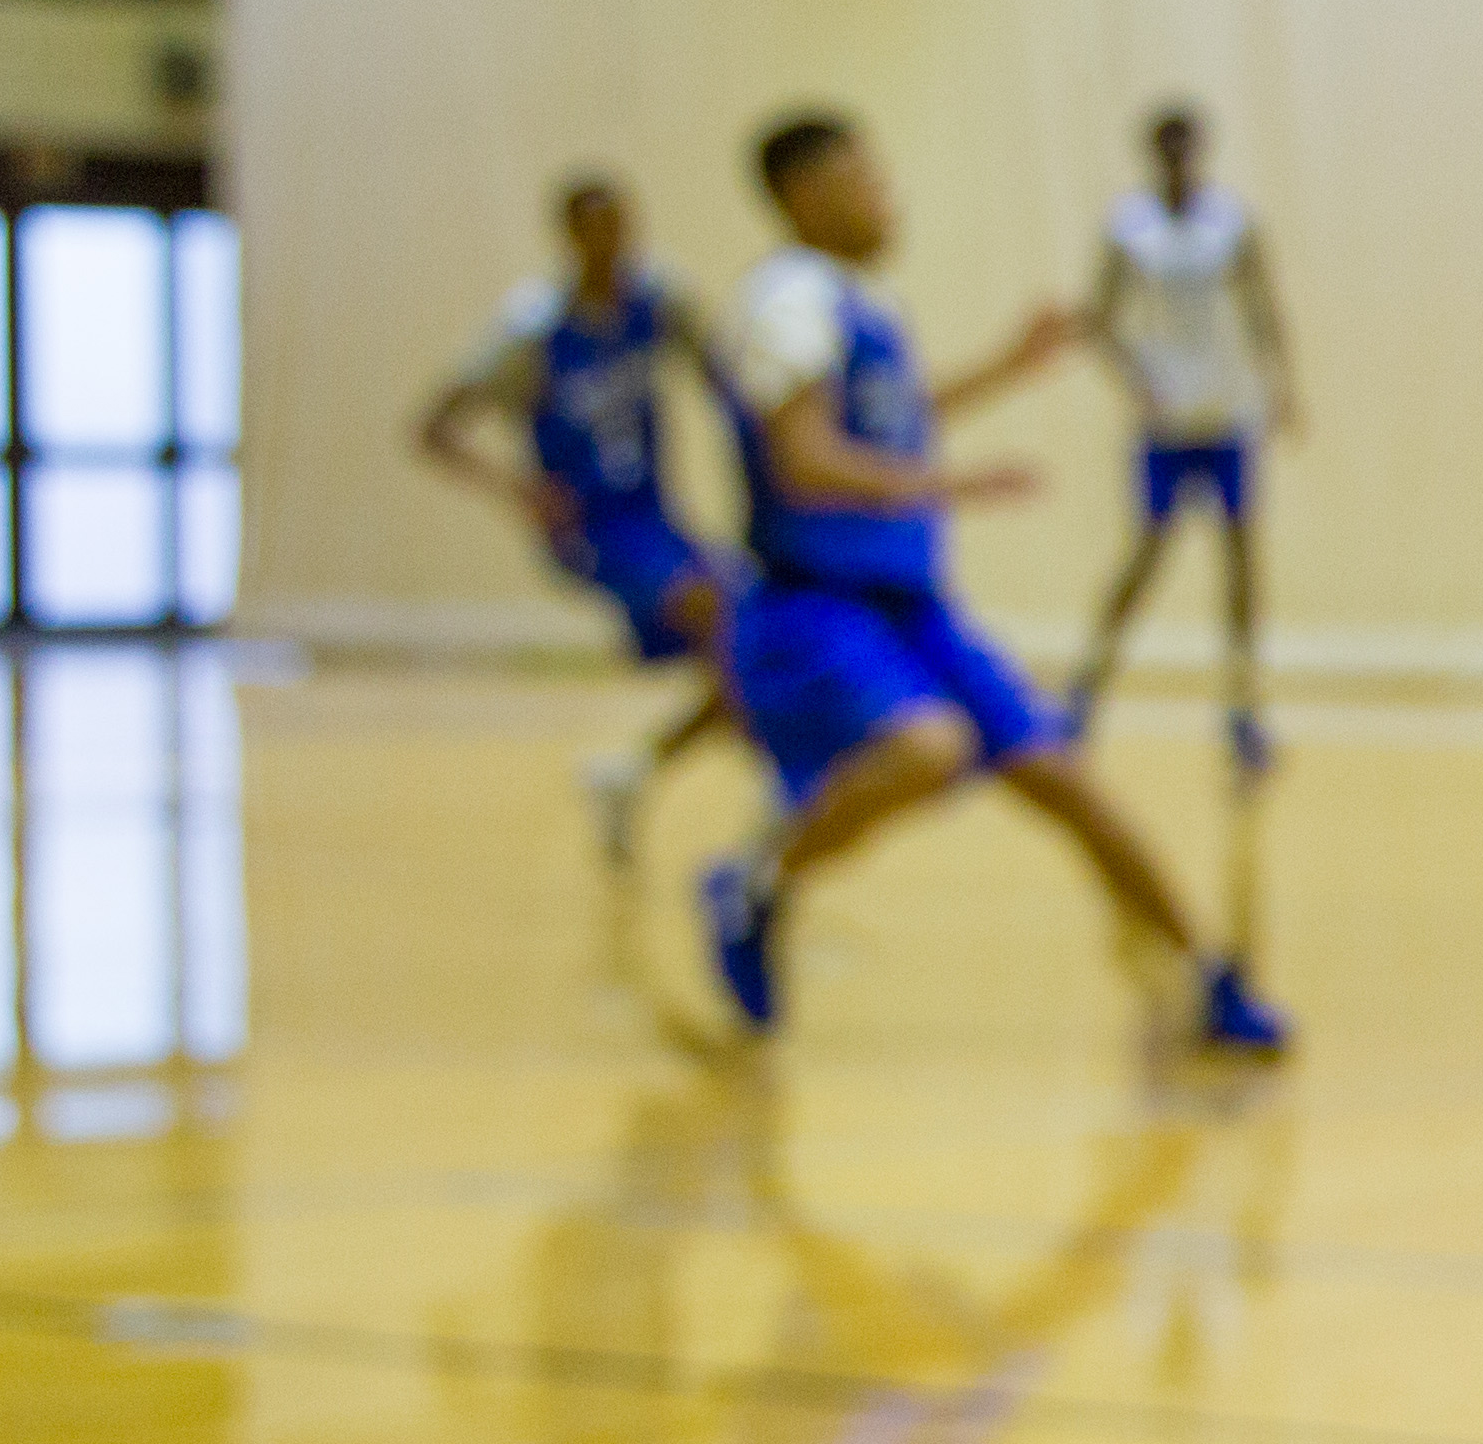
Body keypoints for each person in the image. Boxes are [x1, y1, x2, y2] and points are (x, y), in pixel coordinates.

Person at [693, 110, 1285, 1059]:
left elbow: (895, 419)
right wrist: (947, 486)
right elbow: (804, 459)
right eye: (865, 181)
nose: (888, 198)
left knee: (1063, 780)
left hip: (908, 607)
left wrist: (1008, 368)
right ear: (804, 195)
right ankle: (755, 881)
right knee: (929, 749)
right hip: (815, 604)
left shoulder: (852, 301)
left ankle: (1206, 975)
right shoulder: (787, 299)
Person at [414, 172, 742, 867]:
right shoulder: (532, 328)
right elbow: (433, 427)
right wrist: (517, 488)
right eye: (598, 227)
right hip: (591, 530)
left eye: (623, 225)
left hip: (658, 519)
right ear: (569, 236)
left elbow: (728, 379)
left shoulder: (660, 302)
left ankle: (632, 772)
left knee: (757, 630)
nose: (614, 241)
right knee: (719, 615)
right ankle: (780, 791)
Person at [1066, 103, 1299, 767]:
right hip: (1166, 422)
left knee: (1240, 560)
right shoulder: (1129, 227)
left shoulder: (1232, 222)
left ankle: (1244, 711)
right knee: (1145, 557)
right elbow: (1098, 319)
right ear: (1152, 154)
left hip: (1227, 415)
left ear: (1200, 151)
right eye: (1166, 150)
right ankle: (1083, 694)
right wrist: (1136, 381)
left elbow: (1263, 306)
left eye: (1186, 148)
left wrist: (1282, 384)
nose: (1177, 161)